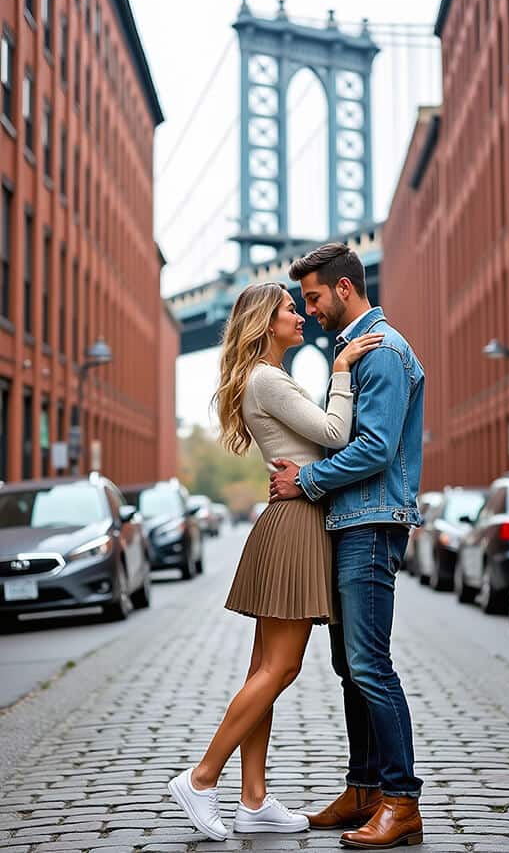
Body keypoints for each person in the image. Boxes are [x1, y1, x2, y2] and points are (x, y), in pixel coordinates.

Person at [167, 281, 384, 842]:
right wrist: (341, 371)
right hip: (296, 527)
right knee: (280, 669)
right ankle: (201, 778)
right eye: (291, 308)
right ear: (267, 322)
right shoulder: (267, 378)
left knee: (261, 668)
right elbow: (336, 436)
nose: (301, 315)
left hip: (287, 523)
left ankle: (254, 800)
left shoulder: (266, 379)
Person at [269, 242, 425, 850]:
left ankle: (401, 800)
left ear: (343, 288)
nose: (309, 311)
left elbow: (377, 447)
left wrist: (303, 480)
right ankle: (363, 790)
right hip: (350, 520)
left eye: (312, 298)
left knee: (369, 665)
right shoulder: (354, 352)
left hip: (371, 522)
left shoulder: (382, 351)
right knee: (348, 667)